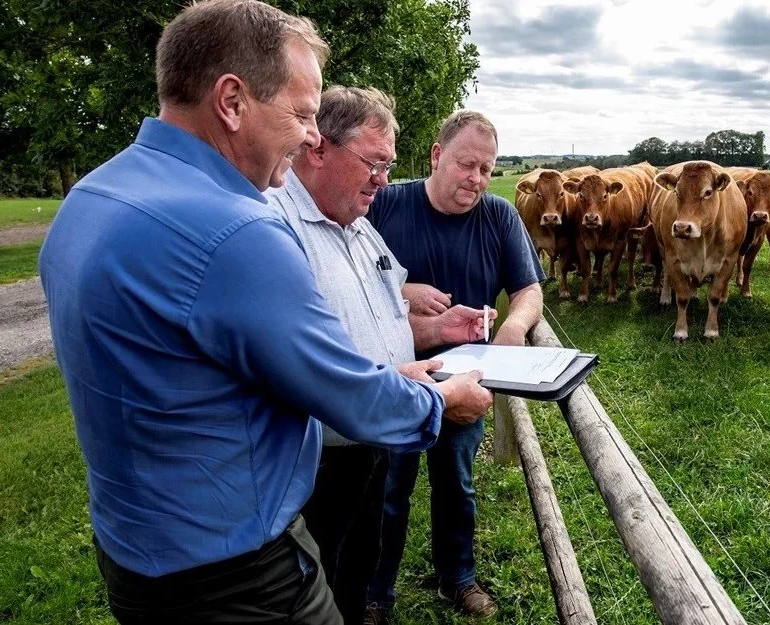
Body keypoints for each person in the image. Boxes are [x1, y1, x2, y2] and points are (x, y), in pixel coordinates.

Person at [37, 2, 492, 623]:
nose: (311, 136)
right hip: (235, 571)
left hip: (134, 553)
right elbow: (351, 400)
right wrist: (442, 401)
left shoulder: (92, 196)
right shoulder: (237, 230)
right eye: (303, 114)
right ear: (232, 101)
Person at [264, 86, 496, 624]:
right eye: (373, 163)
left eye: (389, 166)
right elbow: (313, 372)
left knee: (356, 562)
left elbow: (383, 317)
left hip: (368, 440)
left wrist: (436, 327)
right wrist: (436, 400)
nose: (384, 180)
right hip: (314, 460)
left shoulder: (360, 228)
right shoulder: (276, 230)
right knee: (317, 579)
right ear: (317, 147)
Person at [364, 111, 545, 622]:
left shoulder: (500, 216)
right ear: (437, 155)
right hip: (393, 373)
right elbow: (349, 276)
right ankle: (376, 589)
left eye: (487, 169)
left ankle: (456, 577)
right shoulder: (386, 204)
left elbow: (528, 290)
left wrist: (513, 329)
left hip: (465, 379)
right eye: (468, 165)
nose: (478, 180)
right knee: (387, 484)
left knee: (455, 480)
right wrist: (402, 292)